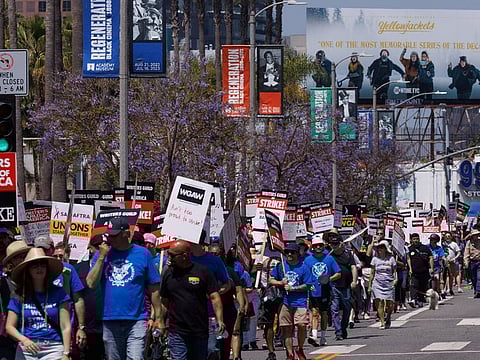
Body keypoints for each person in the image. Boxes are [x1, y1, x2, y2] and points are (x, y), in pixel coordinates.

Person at [86, 217, 162, 360]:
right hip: (110, 319)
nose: (110, 239)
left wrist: (158, 317)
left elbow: (154, 288)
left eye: (115, 235)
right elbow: (90, 283)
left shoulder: (143, 254)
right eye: (109, 235)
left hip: (137, 319)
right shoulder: (101, 254)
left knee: (136, 357)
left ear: (126, 234)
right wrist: (102, 257)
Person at [159, 240, 225, 360]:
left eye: (173, 255)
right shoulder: (168, 274)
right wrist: (161, 321)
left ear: (185, 255)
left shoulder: (203, 272)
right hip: (177, 330)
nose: (170, 258)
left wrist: (220, 320)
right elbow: (164, 301)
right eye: (169, 254)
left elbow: (215, 297)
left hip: (199, 330)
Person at [5, 248, 71, 360]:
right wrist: (24, 340)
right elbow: (9, 326)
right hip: (26, 348)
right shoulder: (18, 295)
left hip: (54, 348)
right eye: (34, 265)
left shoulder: (59, 293)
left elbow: (65, 326)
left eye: (42, 265)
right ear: (28, 270)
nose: (39, 268)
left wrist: (66, 353)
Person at [190, 232, 231, 358]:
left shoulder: (214, 261)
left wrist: (214, 294)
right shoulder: (182, 259)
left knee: (210, 349)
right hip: (187, 315)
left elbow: (227, 284)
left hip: (209, 315)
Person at [270, 243, 312, 360]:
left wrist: (293, 288)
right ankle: (290, 353)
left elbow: (308, 285)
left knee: (301, 325)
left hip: (300, 301)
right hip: (285, 301)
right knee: (286, 328)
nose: (289, 254)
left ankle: (300, 347)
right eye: (287, 252)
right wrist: (280, 283)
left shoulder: (303, 267)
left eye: (292, 252)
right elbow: (271, 279)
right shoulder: (281, 266)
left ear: (297, 254)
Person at [208, 242, 246, 360]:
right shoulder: (204, 271)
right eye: (212, 254)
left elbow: (239, 291)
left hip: (228, 310)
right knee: (210, 345)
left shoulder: (229, 271)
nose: (215, 256)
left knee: (226, 339)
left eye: (217, 254)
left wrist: (241, 307)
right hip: (210, 312)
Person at [51, 243, 87, 360]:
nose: (57, 259)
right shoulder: (45, 270)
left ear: (67, 255)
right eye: (54, 256)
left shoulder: (69, 270)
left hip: (67, 319)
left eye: (60, 256)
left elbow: (78, 299)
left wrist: (81, 327)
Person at [303, 235, 341, 346]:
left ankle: (323, 336)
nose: (318, 247)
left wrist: (328, 279)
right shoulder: (308, 260)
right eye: (316, 245)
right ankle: (314, 335)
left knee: (324, 313)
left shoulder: (329, 259)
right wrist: (308, 286)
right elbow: (305, 275)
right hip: (313, 289)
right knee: (314, 312)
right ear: (312, 247)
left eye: (320, 245)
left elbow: (338, 273)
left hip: (325, 289)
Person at [73, 235, 105, 360]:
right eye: (98, 247)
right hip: (88, 327)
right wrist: (80, 327)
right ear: (90, 248)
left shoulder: (114, 266)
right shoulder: (78, 268)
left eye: (105, 246)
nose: (102, 249)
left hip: (108, 326)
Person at [2, 238, 29, 360]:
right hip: (7, 343)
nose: (23, 259)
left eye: (25, 255)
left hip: (31, 339)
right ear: (11, 262)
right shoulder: (3, 284)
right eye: (19, 257)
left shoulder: (37, 282)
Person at [329, 234, 357, 341]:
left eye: (336, 244)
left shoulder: (348, 254)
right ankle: (338, 332)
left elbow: (353, 267)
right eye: (332, 244)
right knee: (334, 309)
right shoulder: (330, 256)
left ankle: (343, 327)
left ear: (341, 243)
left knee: (347, 308)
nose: (334, 246)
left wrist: (354, 281)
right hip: (334, 286)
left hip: (346, 285)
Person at [368, 240, 397, 330]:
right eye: (379, 248)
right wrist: (370, 285)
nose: (380, 249)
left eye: (382, 247)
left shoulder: (391, 259)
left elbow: (394, 271)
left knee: (390, 304)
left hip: (389, 283)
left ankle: (388, 317)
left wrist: (396, 279)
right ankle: (382, 322)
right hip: (377, 283)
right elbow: (372, 273)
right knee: (379, 303)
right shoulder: (375, 259)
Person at [407, 233, 434, 307]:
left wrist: (431, 268)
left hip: (424, 271)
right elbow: (408, 259)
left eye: (417, 239)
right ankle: (413, 299)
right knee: (413, 285)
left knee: (422, 286)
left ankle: (420, 300)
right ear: (411, 240)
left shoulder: (425, 248)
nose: (416, 240)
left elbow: (431, 257)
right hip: (414, 272)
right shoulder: (409, 249)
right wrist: (410, 269)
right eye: (414, 239)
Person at [464, 229, 480, 298]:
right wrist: (466, 262)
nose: (476, 236)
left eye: (477, 235)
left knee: (479, 277)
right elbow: (466, 253)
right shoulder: (469, 243)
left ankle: (478, 291)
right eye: (474, 235)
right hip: (472, 262)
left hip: (479, 261)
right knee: (473, 278)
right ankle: (476, 290)